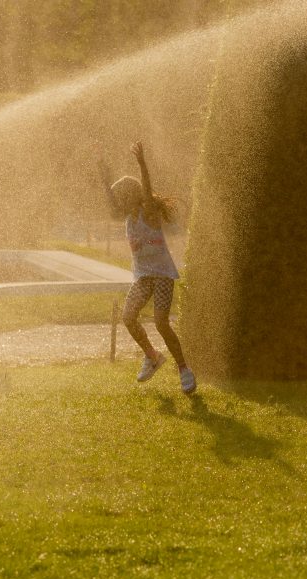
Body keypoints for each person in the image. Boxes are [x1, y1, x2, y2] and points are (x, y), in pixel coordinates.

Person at [98, 141, 196, 394]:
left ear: (130, 195)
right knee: (128, 317)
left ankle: (184, 368)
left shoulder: (148, 214)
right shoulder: (128, 219)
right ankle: (153, 357)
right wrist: (102, 167)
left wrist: (142, 164)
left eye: (120, 196)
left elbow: (147, 188)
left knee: (161, 322)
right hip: (143, 277)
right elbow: (109, 198)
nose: (116, 201)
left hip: (162, 274)